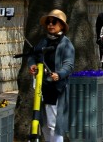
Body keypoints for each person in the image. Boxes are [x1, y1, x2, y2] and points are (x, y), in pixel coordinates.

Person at [30, 9, 75, 142]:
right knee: (43, 124)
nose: (50, 25)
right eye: (48, 22)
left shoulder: (66, 44)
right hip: (42, 87)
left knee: (54, 124)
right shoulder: (43, 41)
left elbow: (69, 65)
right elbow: (33, 55)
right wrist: (32, 65)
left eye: (54, 22)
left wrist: (59, 75)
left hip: (57, 89)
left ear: (61, 25)